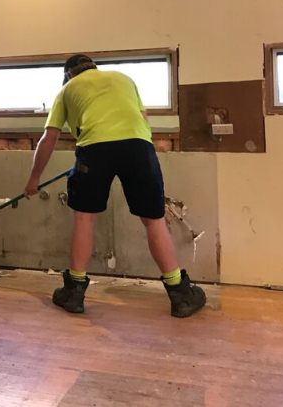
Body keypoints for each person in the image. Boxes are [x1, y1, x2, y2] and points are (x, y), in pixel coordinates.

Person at [23, 54, 206, 318]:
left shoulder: (67, 90)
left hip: (93, 150)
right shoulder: (124, 79)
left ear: (68, 75)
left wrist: (33, 180)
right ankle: (180, 294)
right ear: (93, 68)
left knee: (84, 218)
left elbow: (48, 137)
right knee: (153, 220)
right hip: (139, 148)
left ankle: (74, 292)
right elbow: (144, 119)